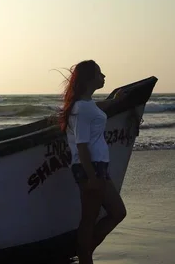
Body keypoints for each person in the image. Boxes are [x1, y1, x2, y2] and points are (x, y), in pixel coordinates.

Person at [58, 60, 127, 264]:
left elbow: (96, 108)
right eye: (99, 73)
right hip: (91, 168)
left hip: (98, 167)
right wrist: (91, 176)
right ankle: (84, 255)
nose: (104, 76)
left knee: (116, 212)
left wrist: (114, 101)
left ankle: (84, 251)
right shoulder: (81, 108)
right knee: (91, 219)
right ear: (90, 78)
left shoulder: (86, 105)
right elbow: (81, 145)